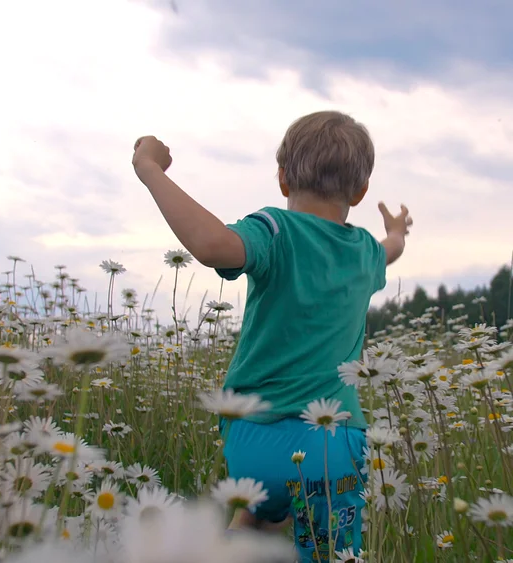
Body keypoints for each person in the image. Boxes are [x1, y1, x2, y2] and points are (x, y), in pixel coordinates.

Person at [132, 110, 411, 562]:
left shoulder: (274, 231)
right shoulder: (365, 251)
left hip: (255, 439)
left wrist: (148, 169)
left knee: (257, 524)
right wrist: (397, 230)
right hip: (334, 446)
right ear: (360, 193)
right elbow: (390, 250)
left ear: (282, 178)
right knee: (330, 555)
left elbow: (210, 245)